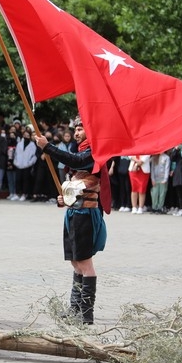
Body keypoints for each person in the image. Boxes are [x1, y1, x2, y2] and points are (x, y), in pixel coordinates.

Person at [34, 115, 108, 325]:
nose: (76, 133)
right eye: (75, 129)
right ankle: (75, 309)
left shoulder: (95, 152)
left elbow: (75, 161)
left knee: (85, 262)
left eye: (81, 128)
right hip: (75, 214)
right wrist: (64, 199)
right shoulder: (82, 153)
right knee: (76, 262)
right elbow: (75, 189)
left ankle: (86, 314)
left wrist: (48, 147)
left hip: (86, 215)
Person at [13, 130, 37, 201]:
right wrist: (16, 162)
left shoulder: (32, 145)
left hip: (27, 166)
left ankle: (24, 194)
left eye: (28, 135)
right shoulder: (19, 144)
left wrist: (29, 163)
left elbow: (34, 156)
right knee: (17, 180)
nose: (26, 136)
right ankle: (17, 194)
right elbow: (16, 154)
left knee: (25, 180)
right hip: (18, 165)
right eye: (25, 135)